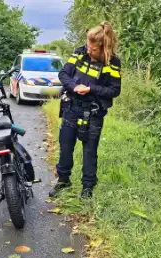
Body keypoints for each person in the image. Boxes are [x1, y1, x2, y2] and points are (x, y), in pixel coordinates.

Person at [49, 21, 121, 199]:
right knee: (66, 146)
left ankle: (87, 188)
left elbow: (114, 90)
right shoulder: (80, 52)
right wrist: (74, 86)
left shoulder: (113, 63)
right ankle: (63, 179)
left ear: (104, 48)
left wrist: (91, 89)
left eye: (93, 49)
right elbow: (63, 74)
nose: (89, 51)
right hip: (72, 107)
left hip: (94, 112)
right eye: (88, 47)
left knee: (89, 151)